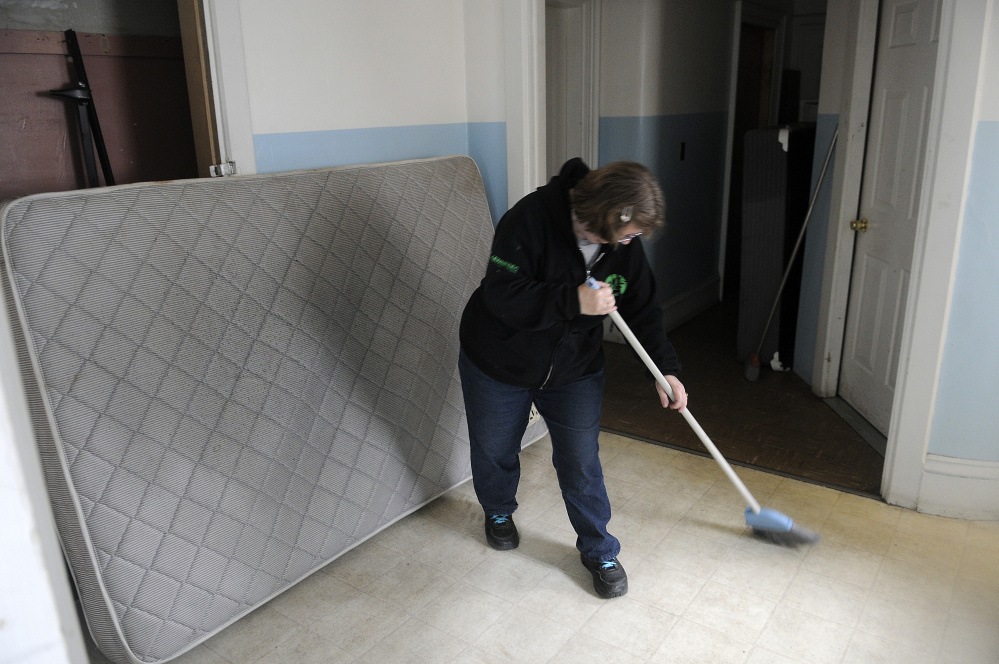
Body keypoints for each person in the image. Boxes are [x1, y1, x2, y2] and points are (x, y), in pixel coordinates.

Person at [457, 158, 688, 599]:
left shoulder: (621, 246)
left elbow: (642, 307)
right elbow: (502, 295)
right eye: (630, 232)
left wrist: (664, 369)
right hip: (498, 356)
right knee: (494, 447)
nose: (633, 241)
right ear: (604, 219)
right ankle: (499, 511)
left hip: (574, 368)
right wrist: (574, 300)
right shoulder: (529, 219)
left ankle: (599, 549)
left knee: (581, 461)